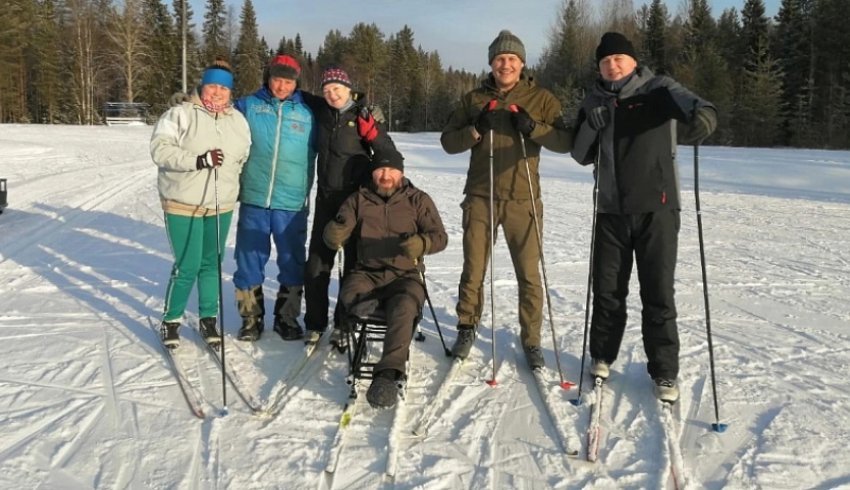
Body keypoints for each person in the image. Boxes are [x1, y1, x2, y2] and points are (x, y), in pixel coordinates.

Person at [571, 32, 717, 403]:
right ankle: (602, 356)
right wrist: (593, 123)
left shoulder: (659, 88)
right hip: (610, 212)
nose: (612, 65)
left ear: (633, 61)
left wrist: (704, 119)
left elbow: (700, 107)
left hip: (658, 210)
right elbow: (579, 153)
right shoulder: (593, 100)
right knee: (607, 293)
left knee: (658, 294)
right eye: (605, 61)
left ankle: (665, 372)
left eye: (619, 59)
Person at [440, 30, 573, 369]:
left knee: (528, 274)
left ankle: (531, 340)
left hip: (523, 198)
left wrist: (534, 128)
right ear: (491, 63)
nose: (506, 64)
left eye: (512, 58)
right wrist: (475, 130)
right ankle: (467, 326)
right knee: (473, 270)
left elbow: (565, 141)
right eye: (500, 58)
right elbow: (448, 143)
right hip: (480, 197)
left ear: (522, 62)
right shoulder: (473, 100)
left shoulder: (541, 98)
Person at [322, 147, 447, 408]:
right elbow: (338, 230)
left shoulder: (418, 200)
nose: (386, 175)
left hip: (405, 274)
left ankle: (387, 374)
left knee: (404, 307)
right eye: (381, 169)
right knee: (348, 293)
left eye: (392, 170)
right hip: (367, 272)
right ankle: (366, 308)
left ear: (401, 172)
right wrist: (334, 233)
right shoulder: (359, 199)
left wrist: (422, 243)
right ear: (373, 172)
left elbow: (440, 237)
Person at [150, 59, 251, 348]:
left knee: (212, 264)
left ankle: (209, 318)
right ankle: (171, 320)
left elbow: (242, 156)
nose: (217, 92)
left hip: (221, 204)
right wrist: (198, 161)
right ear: (202, 86)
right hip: (183, 202)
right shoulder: (179, 114)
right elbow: (160, 150)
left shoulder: (237, 121)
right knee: (188, 265)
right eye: (212, 85)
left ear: (230, 92)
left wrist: (232, 183)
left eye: (223, 87)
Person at [302, 66, 397, 346]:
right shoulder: (321, 110)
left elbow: (388, 151)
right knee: (317, 265)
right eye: (327, 90)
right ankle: (315, 324)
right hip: (326, 200)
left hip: (356, 203)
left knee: (353, 267)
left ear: (348, 90)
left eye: (337, 89)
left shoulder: (362, 115)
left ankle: (345, 322)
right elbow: (293, 92)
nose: (332, 94)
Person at [231, 54, 317, 342]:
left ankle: (287, 317)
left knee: (292, 261)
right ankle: (250, 318)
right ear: (268, 78)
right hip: (255, 197)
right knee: (248, 260)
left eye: (288, 81)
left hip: (291, 203)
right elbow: (216, 117)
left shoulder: (309, 112)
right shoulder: (247, 106)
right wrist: (193, 103)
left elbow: (342, 121)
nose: (282, 86)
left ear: (296, 82)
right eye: (277, 79)